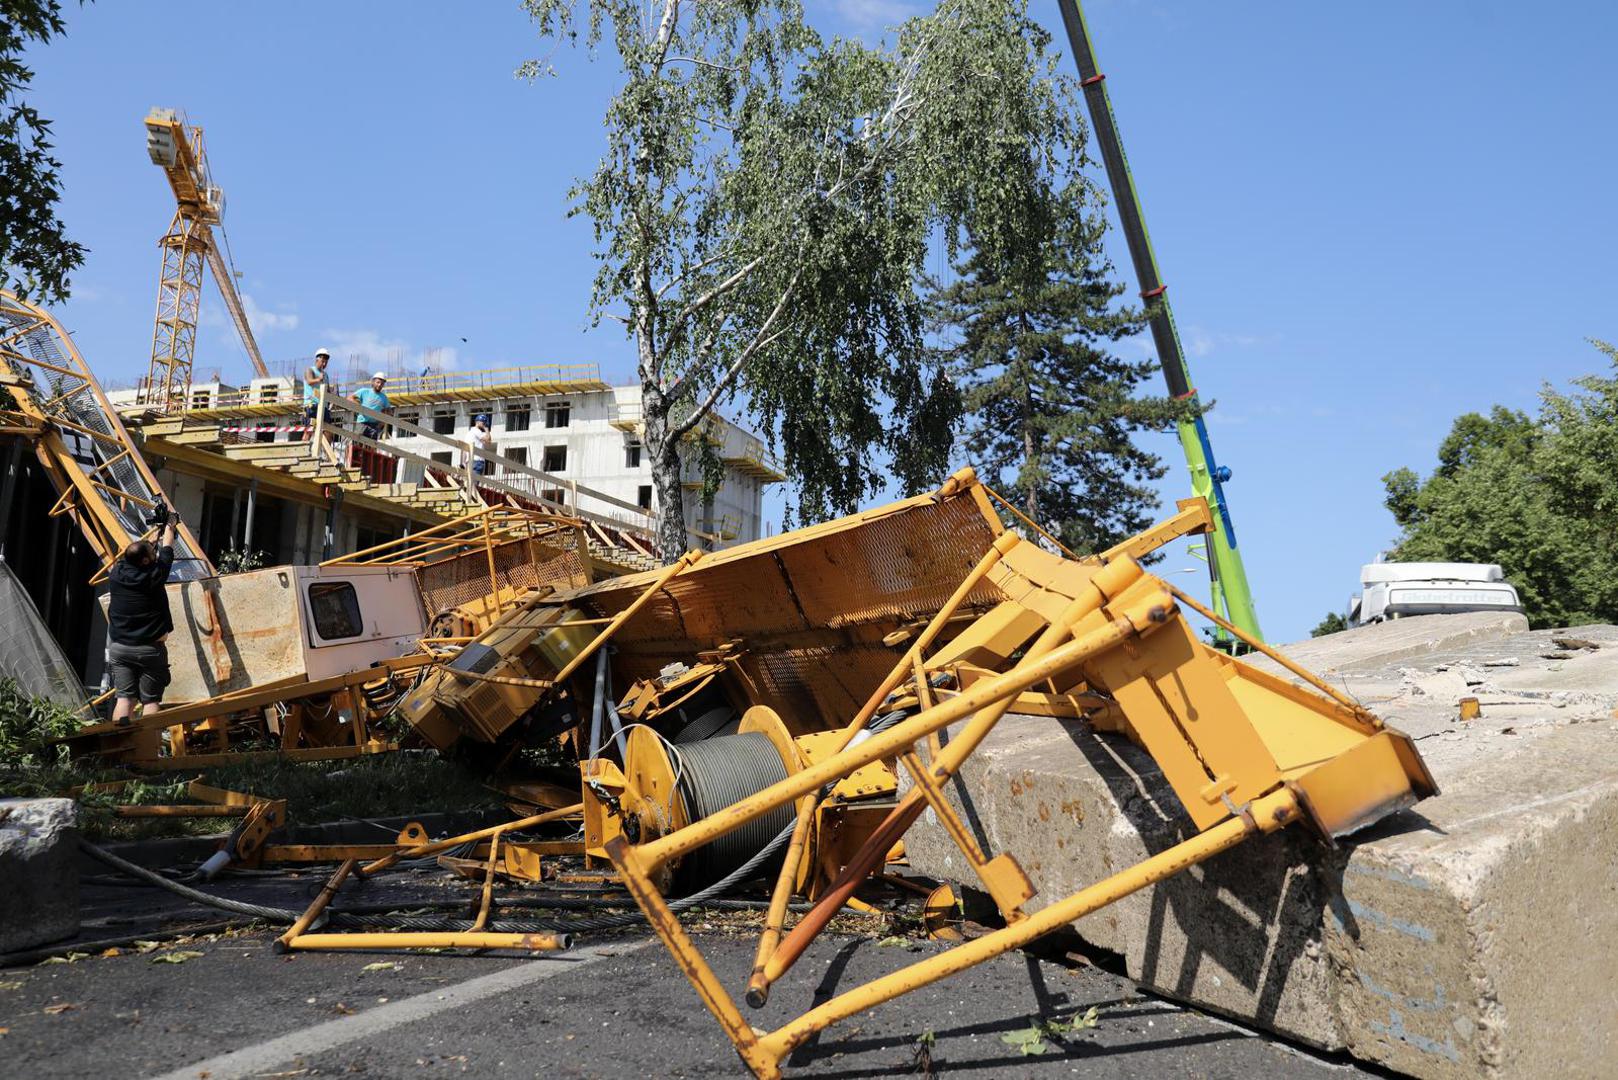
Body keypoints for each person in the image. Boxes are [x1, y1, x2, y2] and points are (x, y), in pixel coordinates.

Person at [108, 505, 179, 726]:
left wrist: (153, 536)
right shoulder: (155, 575)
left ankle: (118, 750)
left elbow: (138, 553)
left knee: (124, 699)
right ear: (148, 562)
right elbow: (167, 548)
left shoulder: (117, 573)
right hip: (150, 650)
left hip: (120, 649)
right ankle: (150, 751)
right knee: (150, 702)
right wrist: (170, 525)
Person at [302, 348, 333, 439]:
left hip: (323, 406)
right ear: (317, 359)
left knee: (328, 431)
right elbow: (309, 381)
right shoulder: (310, 370)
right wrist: (318, 379)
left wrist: (331, 392)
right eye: (322, 361)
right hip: (312, 405)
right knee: (309, 430)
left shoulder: (325, 375)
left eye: (326, 362)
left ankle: (325, 452)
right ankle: (304, 451)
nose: (324, 364)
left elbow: (326, 390)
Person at [352, 371, 391, 441]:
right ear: (373, 382)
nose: (379, 385)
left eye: (382, 384)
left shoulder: (384, 397)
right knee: (357, 444)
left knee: (371, 448)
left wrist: (382, 423)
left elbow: (388, 411)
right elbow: (351, 398)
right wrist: (359, 407)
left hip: (374, 425)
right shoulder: (364, 391)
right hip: (362, 422)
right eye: (378, 382)